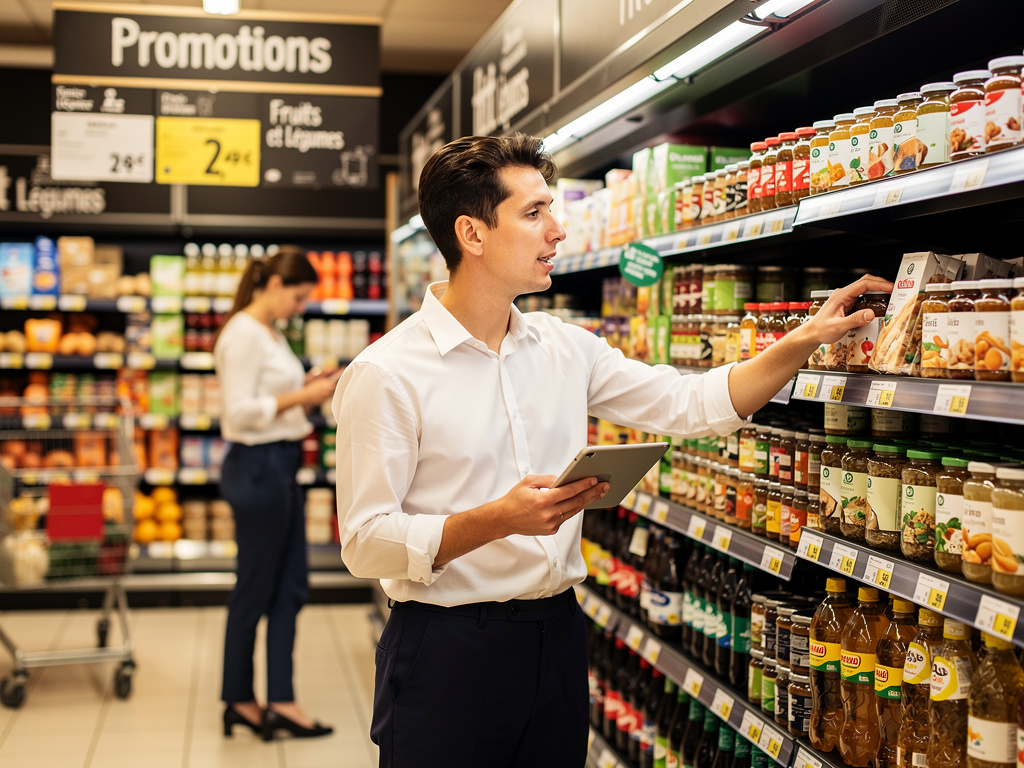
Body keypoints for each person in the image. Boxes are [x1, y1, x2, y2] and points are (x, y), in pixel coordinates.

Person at [332, 134, 893, 767]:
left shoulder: (565, 348)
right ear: (472, 233)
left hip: (557, 635)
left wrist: (807, 338)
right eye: (535, 212)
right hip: (448, 649)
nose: (558, 230)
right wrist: (498, 520)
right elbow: (365, 541)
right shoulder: (387, 374)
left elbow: (691, 403)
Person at [214, 245, 340, 741]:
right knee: (255, 588)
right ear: (273, 286)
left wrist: (309, 386)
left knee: (289, 587)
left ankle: (282, 700)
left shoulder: (268, 332)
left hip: (280, 465)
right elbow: (238, 413)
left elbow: (271, 398)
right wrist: (304, 396)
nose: (301, 307)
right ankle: (240, 699)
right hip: (258, 468)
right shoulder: (242, 334)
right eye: (299, 296)